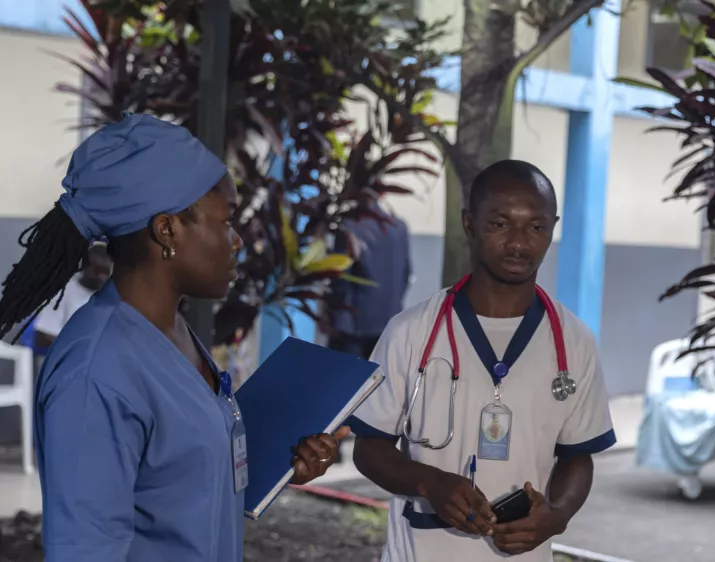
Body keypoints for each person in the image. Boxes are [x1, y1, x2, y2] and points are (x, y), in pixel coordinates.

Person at [0, 113, 350, 562]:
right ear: (167, 230)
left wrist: (282, 464)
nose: (238, 240)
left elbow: (180, 483)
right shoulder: (96, 374)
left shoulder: (171, 331)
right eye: (226, 222)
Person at [349, 159, 616, 561]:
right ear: (469, 223)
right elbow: (369, 447)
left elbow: (577, 455)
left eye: (537, 227)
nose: (519, 243)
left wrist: (557, 515)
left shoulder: (573, 341)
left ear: (553, 227)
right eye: (499, 224)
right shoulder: (411, 331)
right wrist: (429, 483)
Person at [326, 189, 411, 359]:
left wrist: (332, 314)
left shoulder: (348, 227)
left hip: (352, 326)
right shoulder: (399, 227)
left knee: (346, 383)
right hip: (388, 323)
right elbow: (406, 274)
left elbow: (340, 278)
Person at [32, 243, 112, 351]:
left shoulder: (111, 299)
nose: (101, 278)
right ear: (84, 265)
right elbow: (43, 337)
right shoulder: (62, 292)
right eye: (97, 271)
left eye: (105, 273)